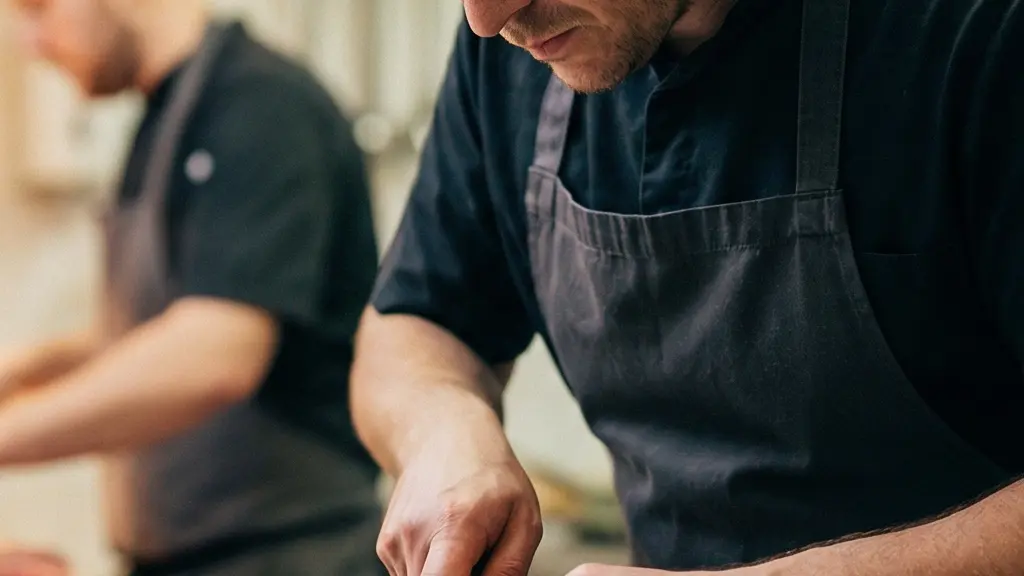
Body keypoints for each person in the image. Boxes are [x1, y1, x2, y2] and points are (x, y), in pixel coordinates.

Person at [351, 0, 1024, 574]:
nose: (486, 19)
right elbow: (414, 324)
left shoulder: (978, 32)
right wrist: (444, 431)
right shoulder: (517, 51)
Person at [1, 0, 384, 574]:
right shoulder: (164, 116)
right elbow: (149, 329)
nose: (31, 43)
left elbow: (215, 354)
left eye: (39, 9)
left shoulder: (259, 107)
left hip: (288, 556)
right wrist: (25, 368)